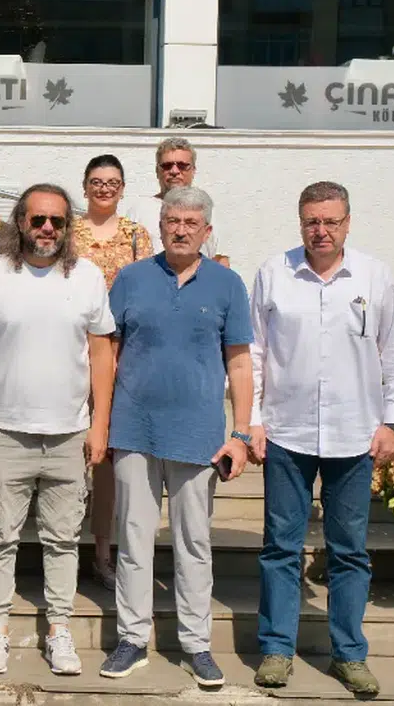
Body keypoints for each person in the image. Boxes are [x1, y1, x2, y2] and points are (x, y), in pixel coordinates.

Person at [249, 181, 394, 697]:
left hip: (354, 434)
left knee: (349, 552)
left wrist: (392, 421)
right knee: (280, 547)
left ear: (348, 223)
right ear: (301, 222)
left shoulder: (374, 275)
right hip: (287, 432)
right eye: (312, 221)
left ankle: (349, 654)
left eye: (331, 221)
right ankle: (277, 649)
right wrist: (253, 420)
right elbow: (254, 353)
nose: (321, 231)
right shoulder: (273, 273)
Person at [100, 186, 253, 688]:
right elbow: (108, 352)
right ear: (161, 225)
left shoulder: (228, 284)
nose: (181, 230)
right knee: (133, 540)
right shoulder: (131, 278)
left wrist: (240, 433)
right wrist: (102, 422)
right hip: (134, 429)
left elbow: (239, 363)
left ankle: (197, 644)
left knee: (194, 543)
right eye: (173, 221)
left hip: (199, 435)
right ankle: (131, 639)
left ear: (207, 231)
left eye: (191, 223)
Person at [0, 184, 115, 677]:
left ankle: (59, 629)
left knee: (62, 539)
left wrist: (99, 425)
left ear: (68, 226)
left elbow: (101, 354)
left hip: (68, 433)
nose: (48, 228)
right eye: (38, 220)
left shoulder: (88, 276)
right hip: (3, 429)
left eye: (57, 220)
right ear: (20, 222)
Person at [72, 155, 153, 590]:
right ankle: (63, 547)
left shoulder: (137, 236)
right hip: (70, 352)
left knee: (106, 460)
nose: (104, 188)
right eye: (97, 181)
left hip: (119, 357)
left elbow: (146, 293)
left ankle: (103, 552)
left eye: (113, 182)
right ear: (85, 186)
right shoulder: (67, 231)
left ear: (122, 189)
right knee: (68, 455)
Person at [127, 137, 228, 266]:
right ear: (157, 171)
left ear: (193, 171)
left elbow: (220, 260)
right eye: (167, 166)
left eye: (182, 166)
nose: (174, 171)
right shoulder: (139, 211)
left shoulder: (205, 209)